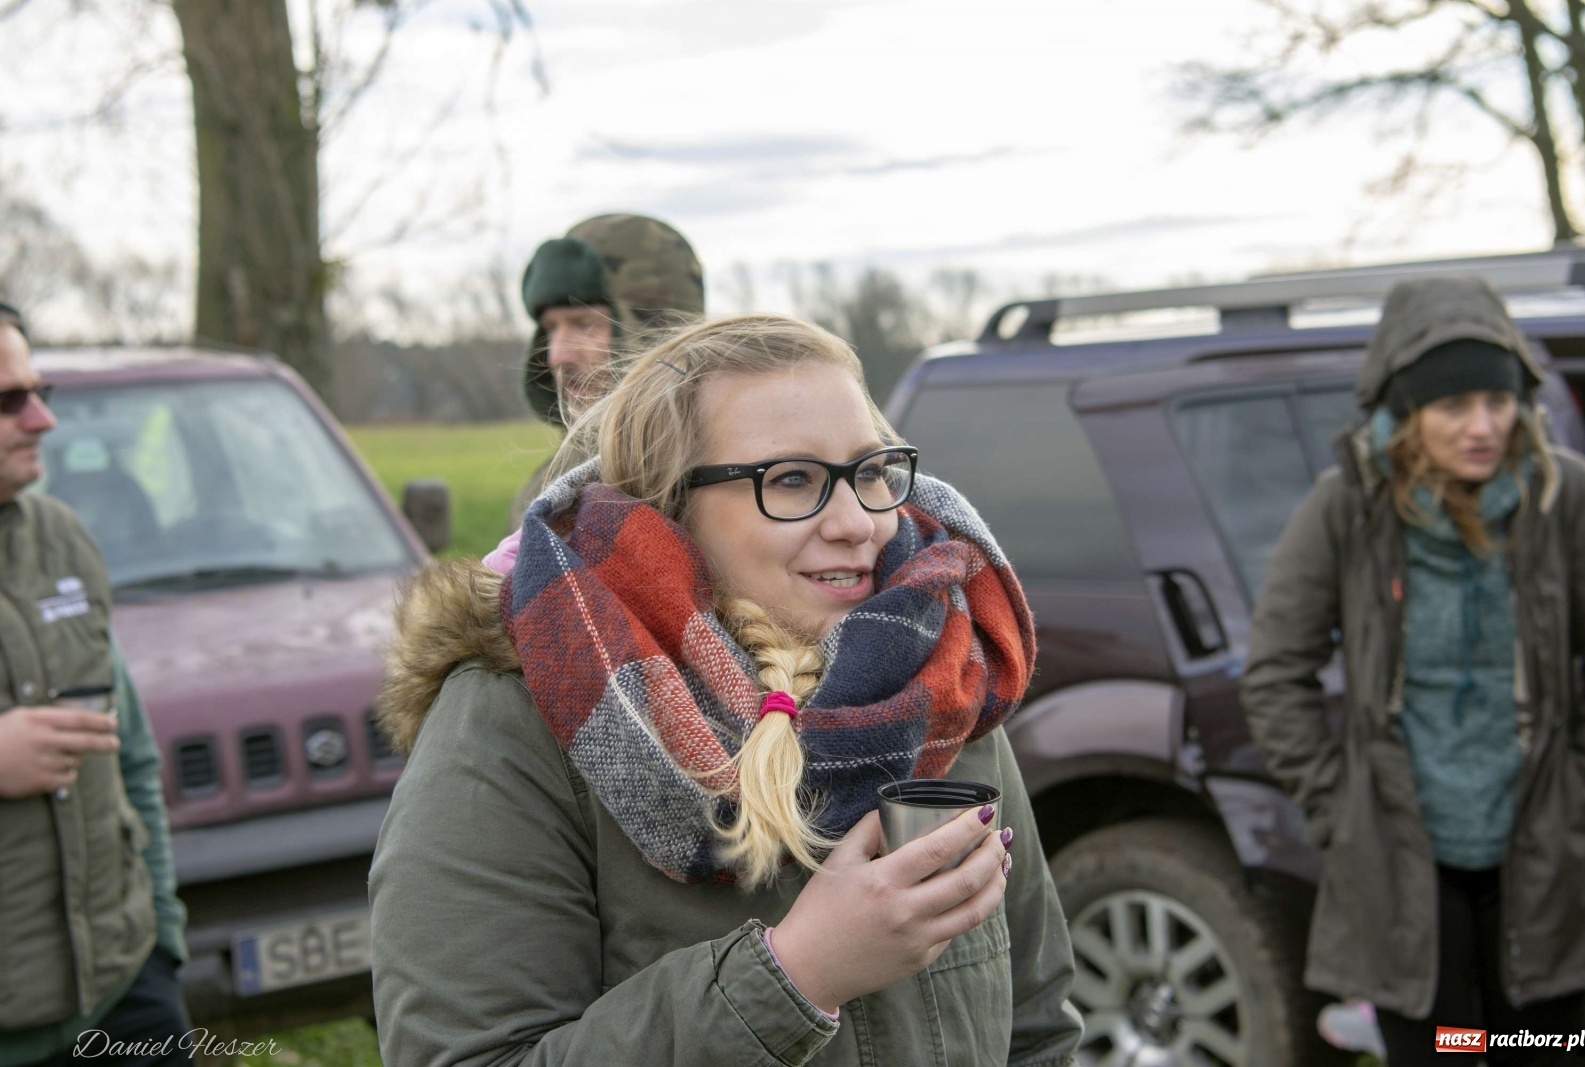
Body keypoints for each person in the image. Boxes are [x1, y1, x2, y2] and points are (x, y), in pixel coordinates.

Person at [371, 314, 1082, 1066]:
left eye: (871, 471)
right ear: (669, 510)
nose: (858, 522)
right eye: (792, 480)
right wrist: (797, 976)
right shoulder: (517, 720)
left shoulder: (940, 684)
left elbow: (1039, 1032)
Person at [1242, 277, 1585, 1066]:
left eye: (1498, 402)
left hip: (1545, 841)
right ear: (1407, 412)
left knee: (1549, 1044)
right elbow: (1274, 672)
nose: (1482, 426)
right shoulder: (1348, 507)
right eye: (1453, 405)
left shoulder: (1564, 494)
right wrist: (1341, 806)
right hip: (1404, 854)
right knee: (1445, 1049)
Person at [0, 301, 190, 1066]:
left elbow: (131, 756)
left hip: (124, 993)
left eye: (38, 389)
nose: (42, 417)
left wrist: (161, 940)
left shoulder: (62, 536)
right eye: (9, 400)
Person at [507, 212, 705, 528]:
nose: (557, 356)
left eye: (584, 325)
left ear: (655, 332)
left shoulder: (716, 483)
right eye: (550, 329)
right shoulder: (554, 484)